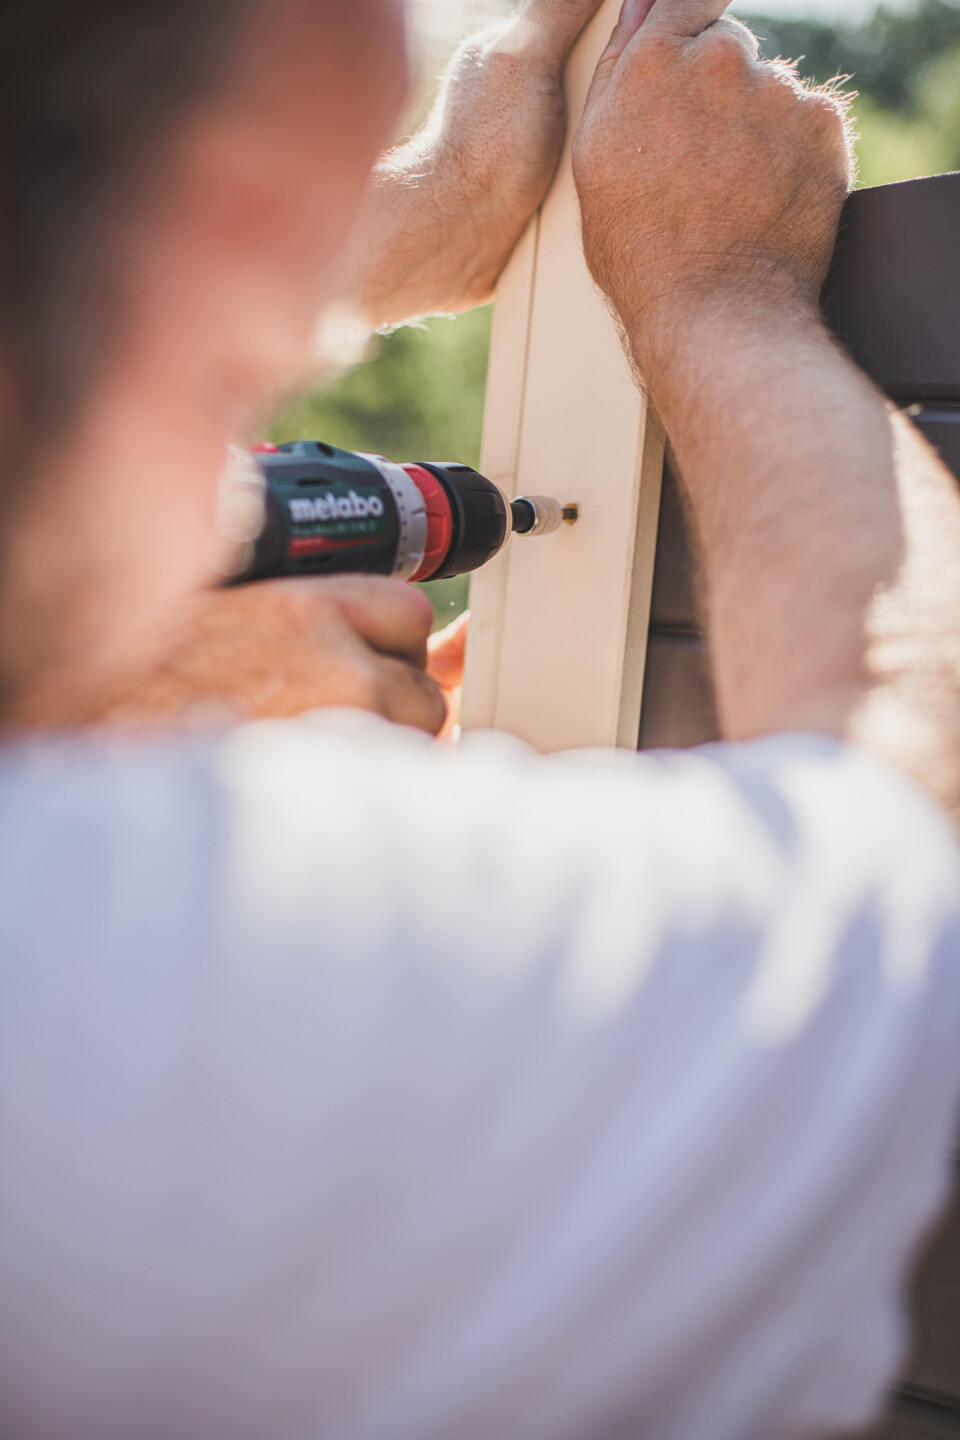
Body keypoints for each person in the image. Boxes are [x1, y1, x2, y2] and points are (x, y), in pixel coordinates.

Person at [1, 0, 959, 1437]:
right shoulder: (180, 988)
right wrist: (721, 293)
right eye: (234, 374)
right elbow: (907, 859)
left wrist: (406, 219)